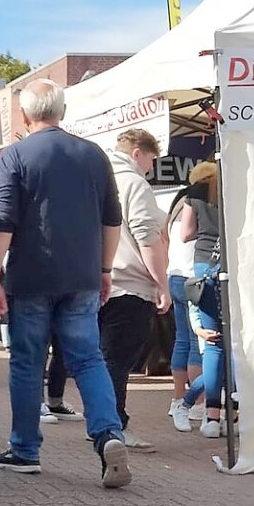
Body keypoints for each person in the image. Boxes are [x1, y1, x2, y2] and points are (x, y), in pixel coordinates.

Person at [0, 79, 131, 488]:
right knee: (87, 358)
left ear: (25, 115)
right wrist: (104, 268)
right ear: (62, 111)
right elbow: (112, 221)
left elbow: (2, 221)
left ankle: (25, 449)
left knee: (28, 363)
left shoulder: (15, 156)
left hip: (31, 276)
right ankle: (108, 436)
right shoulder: (94, 155)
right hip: (82, 276)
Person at [100, 129, 170, 449]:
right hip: (128, 284)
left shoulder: (96, 178)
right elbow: (146, 236)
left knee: (101, 358)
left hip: (96, 280)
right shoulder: (134, 184)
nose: (152, 169)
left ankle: (103, 421)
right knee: (118, 359)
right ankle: (114, 424)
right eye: (152, 160)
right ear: (138, 153)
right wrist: (162, 283)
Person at [178, 161, 225, 438]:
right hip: (236, 264)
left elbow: (185, 233)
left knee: (214, 342)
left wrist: (206, 230)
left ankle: (211, 417)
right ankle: (222, 411)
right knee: (235, 345)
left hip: (204, 265)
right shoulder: (241, 184)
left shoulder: (196, 190)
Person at [165, 185, 204, 431]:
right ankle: (198, 403)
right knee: (196, 343)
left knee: (182, 340)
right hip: (192, 276)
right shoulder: (200, 205)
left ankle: (178, 398)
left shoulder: (177, 207)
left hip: (175, 274)